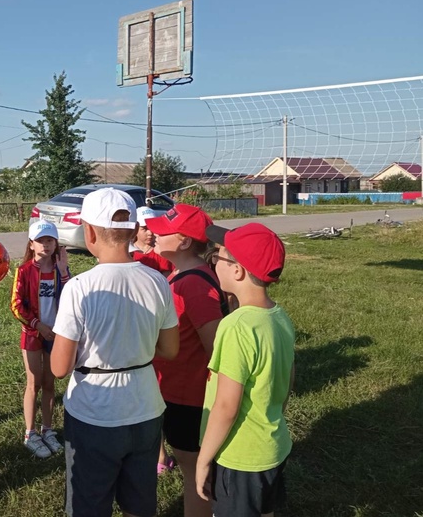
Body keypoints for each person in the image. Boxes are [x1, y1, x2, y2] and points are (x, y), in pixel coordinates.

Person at [50, 188, 180, 517]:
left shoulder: (79, 287)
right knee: (139, 502)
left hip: (94, 411)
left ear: (89, 232)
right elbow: (170, 348)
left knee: (90, 504)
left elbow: (59, 366)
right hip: (145, 405)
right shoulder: (157, 281)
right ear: (134, 230)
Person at [196, 223, 295, 517]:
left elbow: (226, 406)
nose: (213, 261)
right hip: (273, 447)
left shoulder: (236, 326)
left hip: (238, 457)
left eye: (218, 256)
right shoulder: (279, 317)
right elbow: (288, 381)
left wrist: (203, 460)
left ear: (237, 270)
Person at [145, 204, 226, 517]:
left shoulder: (192, 282)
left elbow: (216, 347)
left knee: (195, 477)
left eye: (163, 230)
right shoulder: (180, 274)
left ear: (184, 242)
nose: (153, 232)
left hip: (188, 398)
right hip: (176, 392)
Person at [10, 220, 70, 459]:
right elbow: (16, 305)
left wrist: (64, 272)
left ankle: (48, 429)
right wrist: (38, 326)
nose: (45, 245)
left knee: (50, 384)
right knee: (33, 382)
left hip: (55, 335)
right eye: (40, 240)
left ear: (55, 244)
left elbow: (70, 298)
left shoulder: (60, 269)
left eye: (49, 240)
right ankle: (30, 433)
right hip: (33, 336)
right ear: (31, 244)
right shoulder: (23, 271)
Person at [131, 205, 173, 276]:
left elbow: (166, 278)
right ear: (136, 229)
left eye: (152, 227)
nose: (150, 233)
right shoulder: (128, 252)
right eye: (144, 228)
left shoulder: (161, 252)